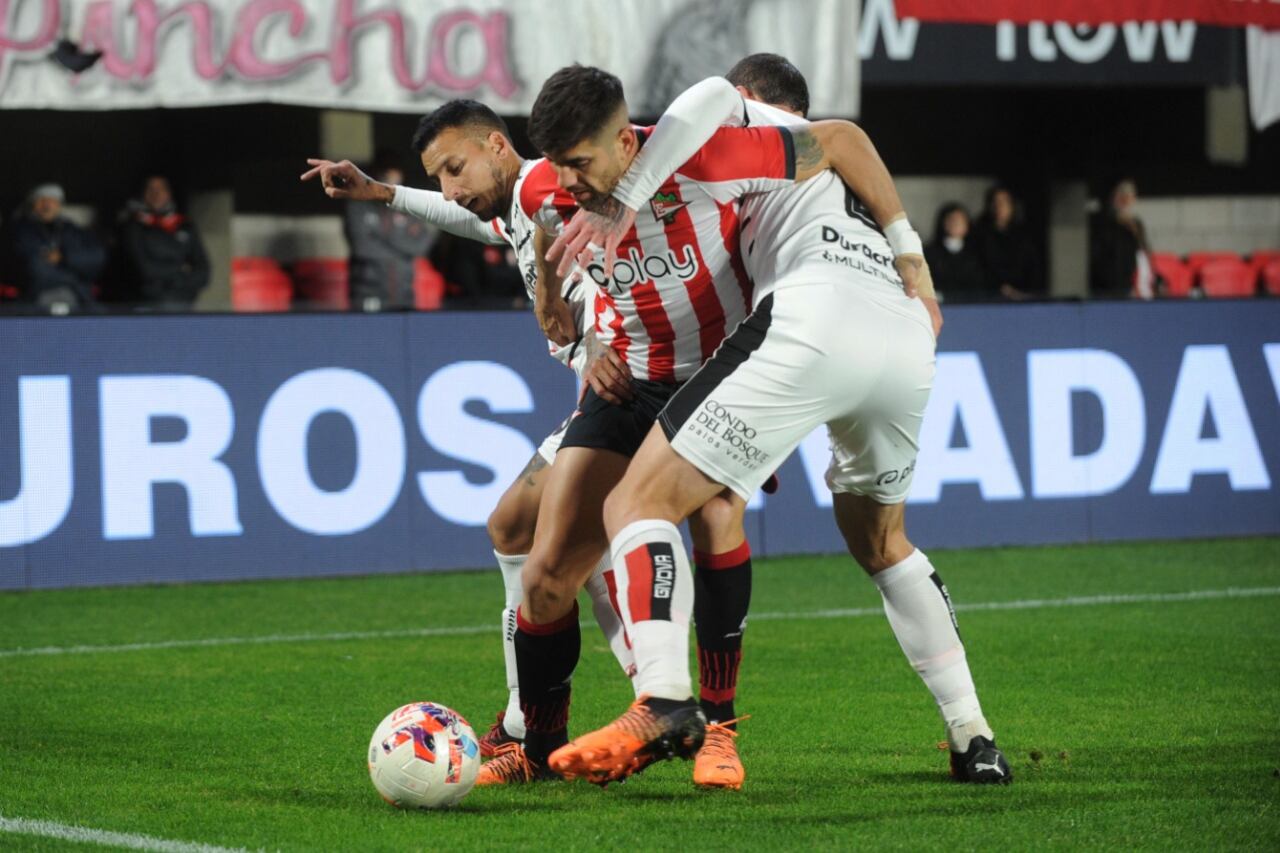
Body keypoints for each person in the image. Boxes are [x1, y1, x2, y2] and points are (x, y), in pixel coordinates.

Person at [540, 67, 1009, 787]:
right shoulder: (813, 172)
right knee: (884, 543)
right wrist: (911, 252)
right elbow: (845, 140)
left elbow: (720, 103)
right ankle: (974, 735)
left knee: (635, 504)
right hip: (905, 336)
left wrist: (626, 197)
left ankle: (664, 697)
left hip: (814, 320)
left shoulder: (731, 139)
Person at [300, 99, 759, 790]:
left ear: (496, 144)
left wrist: (592, 338)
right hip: (610, 389)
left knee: (644, 528)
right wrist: (383, 192)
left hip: (654, 383)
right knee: (518, 528)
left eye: (455, 168)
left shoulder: (559, 184)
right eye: (440, 176)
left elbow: (616, 246)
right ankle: (539, 724)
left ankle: (669, 712)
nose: (452, 188)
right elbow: (477, 220)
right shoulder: (514, 201)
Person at [344, 159, 437, 312]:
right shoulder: (358, 205)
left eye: (396, 177)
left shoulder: (409, 208)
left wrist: (382, 238)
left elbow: (421, 247)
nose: (391, 182)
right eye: (386, 176)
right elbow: (362, 247)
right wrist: (402, 252)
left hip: (404, 294)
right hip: (367, 293)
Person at [116, 176, 210, 311]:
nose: (156, 194)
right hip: (145, 303)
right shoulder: (133, 226)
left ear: (169, 192)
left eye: (161, 188)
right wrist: (181, 270)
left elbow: (204, 272)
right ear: (142, 193)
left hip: (183, 302)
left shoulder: (185, 225)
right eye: (151, 189)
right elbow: (145, 271)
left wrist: (176, 280)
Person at [8, 183, 104, 314]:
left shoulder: (72, 230)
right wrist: (75, 278)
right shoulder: (20, 230)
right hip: (34, 301)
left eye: (52, 201)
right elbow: (34, 269)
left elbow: (97, 258)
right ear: (32, 204)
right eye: (42, 200)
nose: (47, 205)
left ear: (59, 205)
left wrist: (64, 258)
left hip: (78, 300)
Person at [1089, 178, 1155, 300]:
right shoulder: (1103, 226)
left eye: (1129, 196)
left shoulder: (1136, 225)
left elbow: (1144, 255)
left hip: (1137, 287)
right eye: (1121, 196)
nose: (1125, 201)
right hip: (1113, 291)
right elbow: (1100, 262)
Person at [971, 185, 1040, 301]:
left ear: (1013, 205)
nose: (999, 207)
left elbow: (1032, 270)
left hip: (1022, 298)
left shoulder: (1025, 237)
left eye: (1004, 202)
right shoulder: (977, 235)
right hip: (986, 298)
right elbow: (977, 269)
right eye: (995, 202)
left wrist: (1019, 292)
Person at [924, 202, 986, 302]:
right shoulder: (930, 253)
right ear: (943, 223)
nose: (955, 224)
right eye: (951, 220)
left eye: (960, 220)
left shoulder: (977, 253)